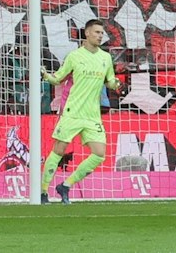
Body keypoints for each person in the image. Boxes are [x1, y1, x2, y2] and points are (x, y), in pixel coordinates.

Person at [40, 17, 120, 204]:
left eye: (102, 33)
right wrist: (45, 75)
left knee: (99, 154)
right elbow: (58, 79)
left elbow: (110, 80)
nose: (100, 36)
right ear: (87, 33)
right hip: (72, 112)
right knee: (59, 150)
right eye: (97, 32)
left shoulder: (105, 58)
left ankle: (65, 186)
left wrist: (115, 83)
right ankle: (43, 191)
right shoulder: (74, 56)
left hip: (92, 115)